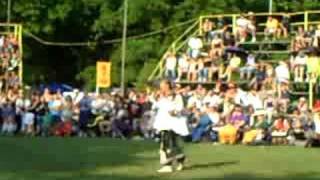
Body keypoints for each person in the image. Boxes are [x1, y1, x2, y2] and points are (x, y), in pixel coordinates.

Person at [153, 80, 187, 173]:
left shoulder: (177, 96)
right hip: (163, 123)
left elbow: (180, 108)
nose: (161, 87)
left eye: (163, 85)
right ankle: (171, 163)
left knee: (171, 144)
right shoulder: (160, 96)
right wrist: (156, 98)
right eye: (161, 86)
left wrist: (174, 112)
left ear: (168, 86)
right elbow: (156, 106)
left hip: (174, 123)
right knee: (165, 143)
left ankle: (171, 164)